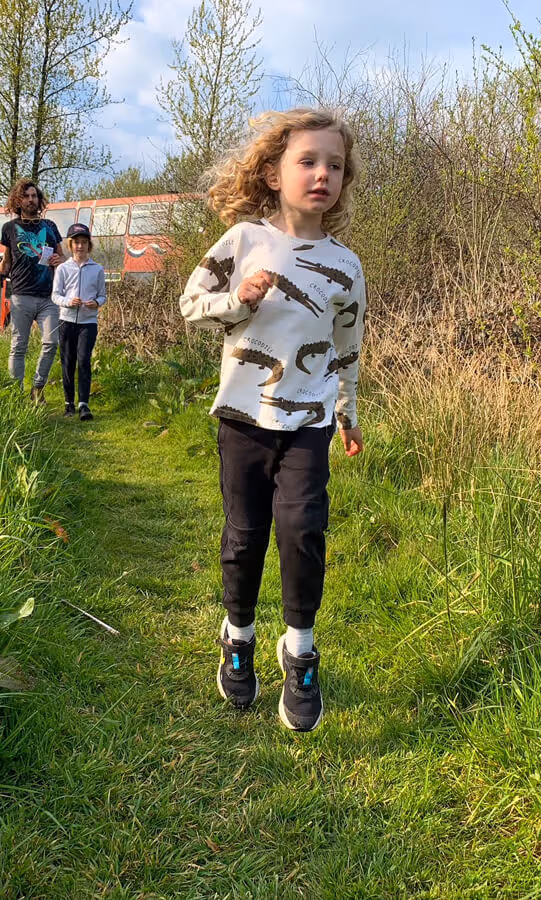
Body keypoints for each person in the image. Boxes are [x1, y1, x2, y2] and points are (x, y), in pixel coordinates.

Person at [178, 108, 366, 732]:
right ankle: (237, 636)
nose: (322, 175)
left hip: (309, 420)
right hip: (242, 414)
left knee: (303, 530)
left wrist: (348, 411)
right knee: (244, 535)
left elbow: (347, 348)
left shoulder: (346, 266)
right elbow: (191, 307)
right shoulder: (242, 242)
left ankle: (301, 650)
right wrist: (239, 300)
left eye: (334, 165)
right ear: (270, 172)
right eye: (307, 162)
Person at [0, 178, 65, 404]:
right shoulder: (9, 228)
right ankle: (14, 395)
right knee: (18, 347)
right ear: (18, 200)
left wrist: (59, 260)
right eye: (26, 196)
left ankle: (38, 388)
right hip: (21, 296)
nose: (31, 200)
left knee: (51, 343)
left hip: (48, 297)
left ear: (39, 200)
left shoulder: (49, 227)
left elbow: (63, 258)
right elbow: (6, 262)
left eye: (34, 196)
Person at [52, 222, 106, 419]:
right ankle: (69, 404)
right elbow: (55, 296)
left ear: (89, 245)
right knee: (68, 362)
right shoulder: (63, 269)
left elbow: (103, 296)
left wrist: (96, 303)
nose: (80, 246)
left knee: (84, 360)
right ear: (70, 245)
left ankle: (84, 404)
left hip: (88, 322)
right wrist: (68, 302)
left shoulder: (97, 269)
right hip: (66, 321)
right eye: (76, 243)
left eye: (84, 242)